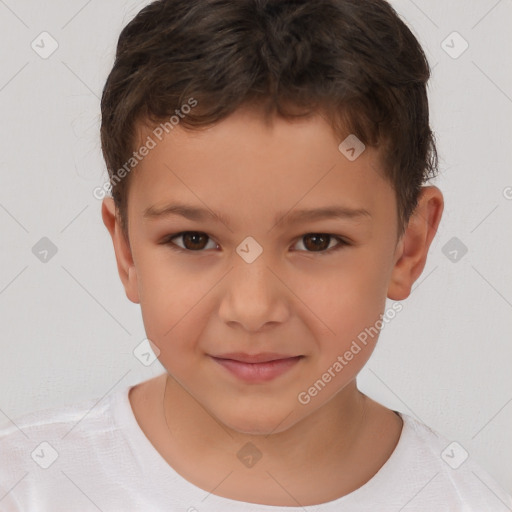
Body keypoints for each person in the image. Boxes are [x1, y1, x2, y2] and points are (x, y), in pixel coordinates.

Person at [1, 0, 511, 510]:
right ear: (126, 250)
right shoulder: (29, 485)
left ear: (410, 246)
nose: (252, 309)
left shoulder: (464, 501)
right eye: (193, 240)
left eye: (318, 241)